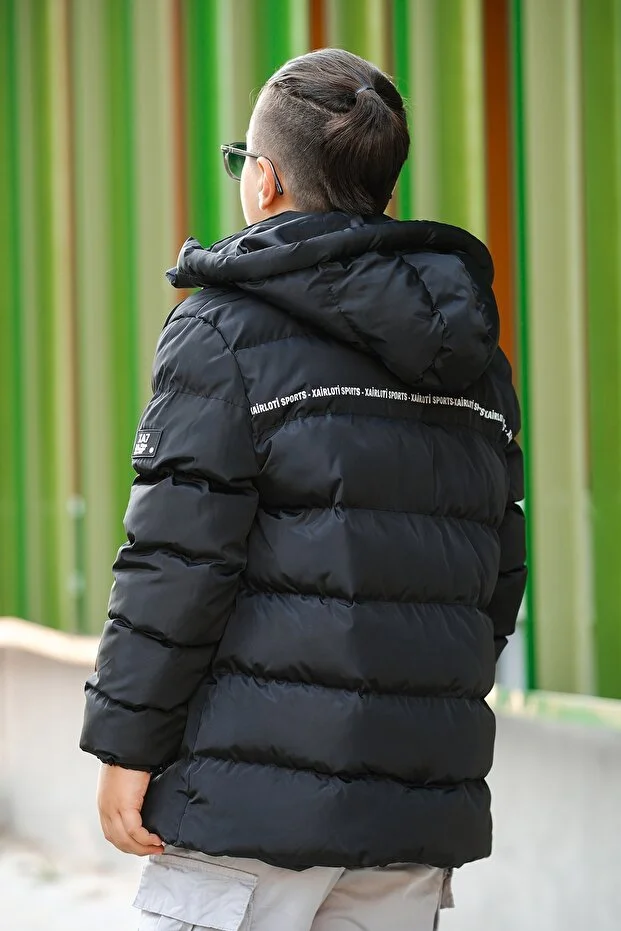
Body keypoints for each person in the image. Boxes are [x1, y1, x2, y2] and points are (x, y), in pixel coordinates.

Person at [80, 48, 526, 931]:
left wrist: (126, 744)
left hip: (245, 804)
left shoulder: (222, 330)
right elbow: (496, 573)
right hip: (409, 809)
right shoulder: (474, 356)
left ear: (265, 179)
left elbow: (177, 560)